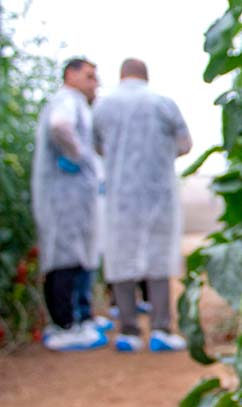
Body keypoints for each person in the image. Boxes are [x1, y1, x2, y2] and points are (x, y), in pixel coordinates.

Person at [93, 58, 192, 352]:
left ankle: (128, 332)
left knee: (121, 258)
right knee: (158, 259)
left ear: (121, 75)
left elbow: (95, 146)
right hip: (157, 193)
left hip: (119, 195)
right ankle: (161, 329)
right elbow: (185, 144)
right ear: (146, 76)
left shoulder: (103, 106)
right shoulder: (163, 104)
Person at [32, 57, 108, 351]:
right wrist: (78, 156)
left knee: (76, 255)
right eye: (89, 76)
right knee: (64, 257)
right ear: (71, 75)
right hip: (62, 197)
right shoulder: (67, 100)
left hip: (70, 196)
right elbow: (60, 126)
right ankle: (65, 326)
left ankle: (80, 318)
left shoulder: (76, 103)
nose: (95, 83)